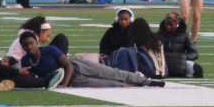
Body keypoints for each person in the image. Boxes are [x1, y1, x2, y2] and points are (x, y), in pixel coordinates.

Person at [16, 29, 163, 89]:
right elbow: (32, 78)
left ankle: (147, 82)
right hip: (75, 81)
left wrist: (64, 84)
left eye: (31, 43)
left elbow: (68, 65)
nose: (29, 47)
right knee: (111, 84)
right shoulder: (26, 61)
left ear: (36, 42)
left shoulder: (49, 50)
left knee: (114, 73)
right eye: (25, 45)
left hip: (77, 67)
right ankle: (137, 86)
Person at [157, 11, 204, 77]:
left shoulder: (185, 36)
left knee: (193, 66)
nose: (168, 27)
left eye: (171, 24)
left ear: (177, 24)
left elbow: (194, 54)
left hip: (180, 63)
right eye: (167, 24)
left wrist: (183, 57)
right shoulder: (158, 35)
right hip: (163, 63)